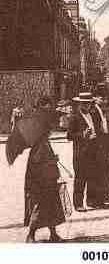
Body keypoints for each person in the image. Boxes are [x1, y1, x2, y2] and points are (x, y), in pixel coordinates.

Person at [23, 96, 65, 242]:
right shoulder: (39, 144)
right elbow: (37, 162)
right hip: (40, 182)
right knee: (40, 207)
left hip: (49, 179)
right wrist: (52, 160)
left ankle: (53, 234)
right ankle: (31, 235)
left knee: (53, 206)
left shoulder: (44, 142)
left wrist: (53, 159)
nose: (50, 130)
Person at [67, 93, 109, 211]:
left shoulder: (93, 115)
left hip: (94, 151)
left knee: (94, 177)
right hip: (81, 152)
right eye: (84, 104)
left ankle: (93, 201)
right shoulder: (74, 117)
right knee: (80, 178)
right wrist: (82, 135)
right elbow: (69, 136)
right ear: (80, 104)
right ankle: (78, 204)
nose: (87, 106)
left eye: (89, 103)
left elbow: (99, 130)